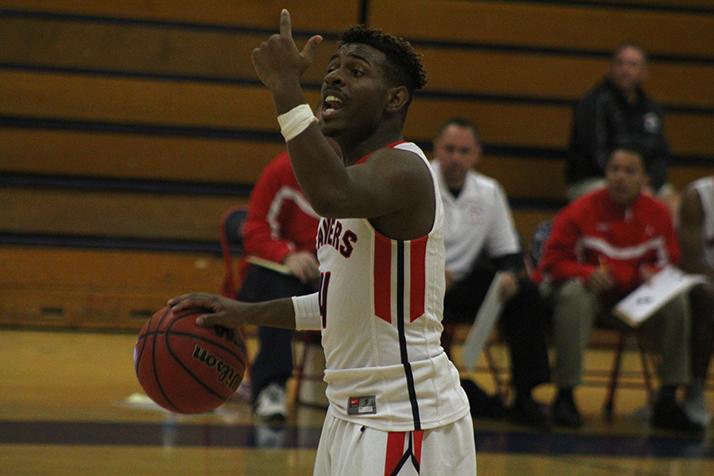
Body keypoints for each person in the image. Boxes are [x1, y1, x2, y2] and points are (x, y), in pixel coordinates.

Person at [170, 11, 475, 475]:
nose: (333, 76)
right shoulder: (356, 180)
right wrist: (245, 312)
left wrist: (286, 92)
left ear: (395, 99)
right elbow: (339, 303)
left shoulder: (405, 171)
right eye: (333, 68)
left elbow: (330, 194)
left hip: (404, 418)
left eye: (356, 71)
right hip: (347, 413)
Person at [539, 146, 703, 433]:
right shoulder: (580, 210)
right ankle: (565, 394)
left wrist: (651, 275)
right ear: (606, 175)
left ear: (644, 179)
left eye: (630, 171)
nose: (620, 177)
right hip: (593, 297)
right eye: (614, 170)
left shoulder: (658, 214)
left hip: (637, 301)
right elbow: (551, 262)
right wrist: (586, 273)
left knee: (676, 301)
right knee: (573, 296)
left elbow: (671, 265)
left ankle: (668, 396)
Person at [432, 117, 550, 428]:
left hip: (464, 284)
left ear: (476, 154)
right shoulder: (419, 181)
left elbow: (508, 251)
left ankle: (525, 394)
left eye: (463, 151)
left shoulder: (488, 191)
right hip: (422, 281)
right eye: (449, 149)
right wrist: (431, 270)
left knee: (525, 294)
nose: (456, 157)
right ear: (437, 150)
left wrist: (511, 274)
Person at [239, 150, 320, 420]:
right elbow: (255, 230)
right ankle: (271, 388)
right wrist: (286, 255)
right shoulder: (283, 170)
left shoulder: (358, 174)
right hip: (276, 274)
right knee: (280, 289)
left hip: (328, 278)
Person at [566, 43, 677, 213]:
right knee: (623, 198)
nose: (625, 70)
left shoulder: (652, 109)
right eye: (620, 64)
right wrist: (627, 178)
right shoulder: (593, 103)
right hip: (597, 179)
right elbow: (595, 154)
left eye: (632, 65)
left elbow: (661, 155)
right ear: (610, 69)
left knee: (674, 203)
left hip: (642, 181)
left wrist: (650, 182)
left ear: (644, 72)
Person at [678, 176, 714, 426]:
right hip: (701, 284)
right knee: (706, 297)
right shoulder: (698, 197)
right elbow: (689, 262)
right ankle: (695, 389)